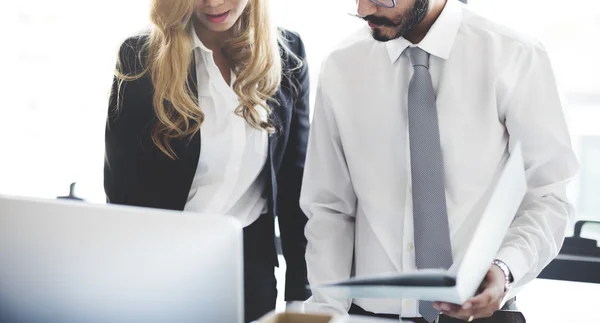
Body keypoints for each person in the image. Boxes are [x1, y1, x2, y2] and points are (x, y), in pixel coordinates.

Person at [300, 0, 578, 322]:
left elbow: (548, 194)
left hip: (481, 314)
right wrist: (326, 312)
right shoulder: (342, 66)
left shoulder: (513, 55)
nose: (363, 9)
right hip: (367, 314)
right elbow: (329, 209)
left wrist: (505, 269)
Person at [104, 0, 311, 321]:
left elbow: (294, 183)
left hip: (249, 275)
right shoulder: (140, 56)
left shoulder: (288, 53)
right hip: (161, 271)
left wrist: (300, 295)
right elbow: (122, 193)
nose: (213, 3)